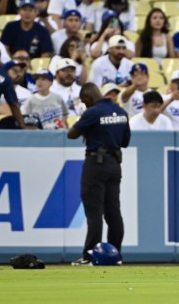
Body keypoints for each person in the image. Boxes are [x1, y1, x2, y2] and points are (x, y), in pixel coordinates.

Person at [68, 82, 131, 266]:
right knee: (113, 212)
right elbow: (125, 142)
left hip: (95, 164)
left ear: (88, 97)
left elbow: (71, 134)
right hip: (114, 164)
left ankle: (90, 256)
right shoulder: (121, 112)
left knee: (94, 212)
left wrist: (88, 127)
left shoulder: (93, 112)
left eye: (84, 100)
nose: (85, 104)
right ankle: (115, 255)